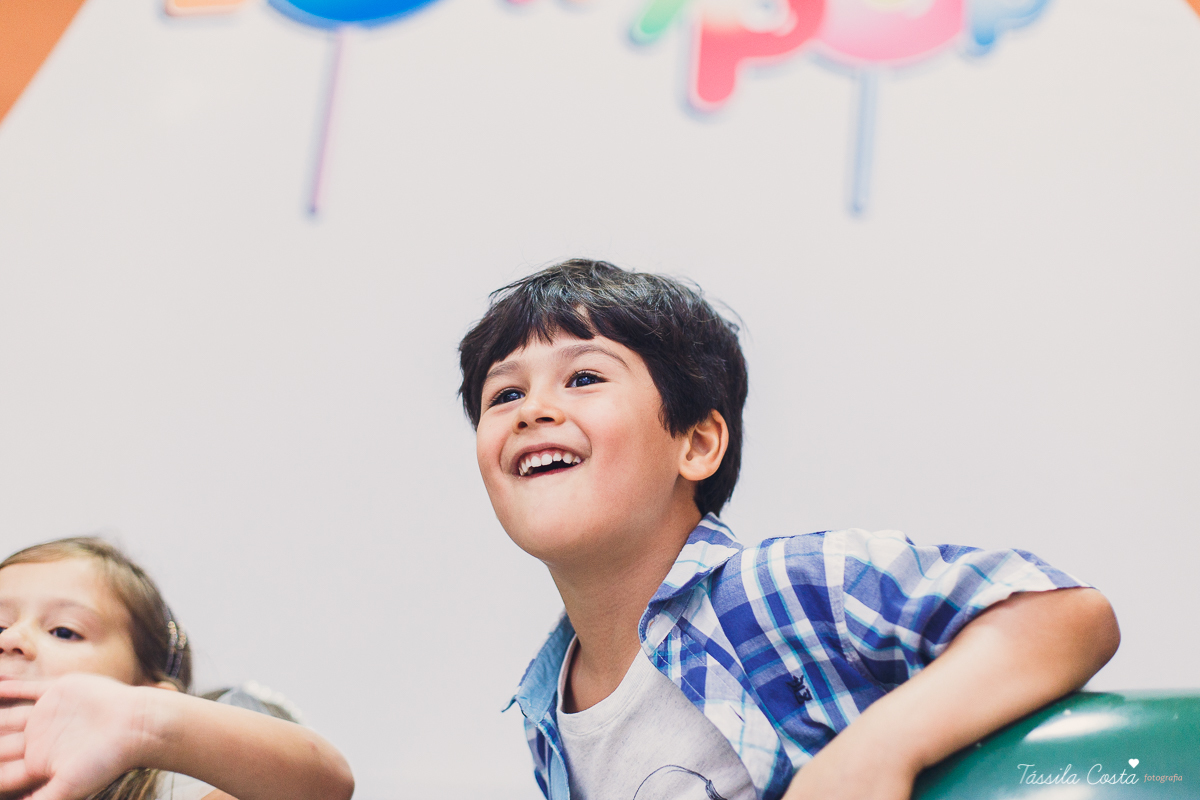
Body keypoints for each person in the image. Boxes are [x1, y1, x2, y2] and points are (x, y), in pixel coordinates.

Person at [457, 259, 1121, 800]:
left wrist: (878, 750)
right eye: (505, 394)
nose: (534, 410)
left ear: (696, 444)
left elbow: (1061, 612)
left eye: (583, 377)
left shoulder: (777, 587)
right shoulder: (546, 700)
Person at [0, 537, 354, 800]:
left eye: (65, 631)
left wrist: (146, 726)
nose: (11, 638)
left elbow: (325, 787)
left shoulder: (168, 790)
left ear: (148, 694)